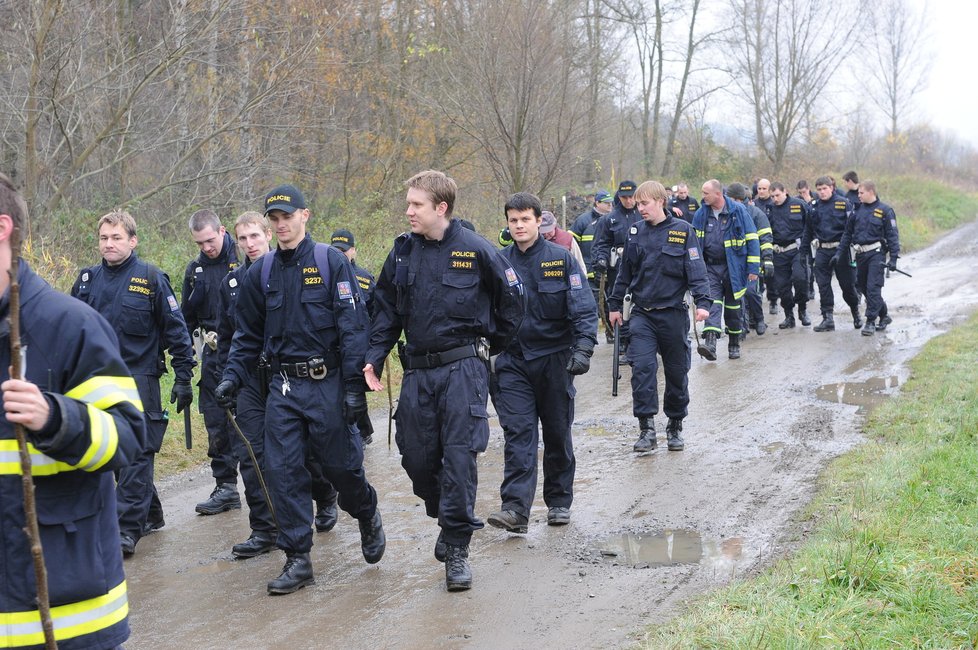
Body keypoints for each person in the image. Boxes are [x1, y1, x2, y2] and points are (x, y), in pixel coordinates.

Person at [217, 184, 386, 595]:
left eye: (286, 217)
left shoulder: (330, 262)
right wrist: (232, 377)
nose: (280, 225)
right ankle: (298, 558)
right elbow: (247, 335)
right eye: (273, 219)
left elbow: (352, 329)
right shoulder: (262, 271)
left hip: (327, 383)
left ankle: (365, 511)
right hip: (283, 387)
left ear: (304, 216)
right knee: (282, 471)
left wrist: (352, 389)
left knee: (341, 469)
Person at [0, 173, 144, 649]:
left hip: (64, 619)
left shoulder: (67, 325)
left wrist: (56, 419)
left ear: (2, 228)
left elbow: (127, 437)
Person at [364, 170, 525, 592]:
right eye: (408, 203)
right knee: (415, 457)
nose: (408, 211)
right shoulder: (401, 253)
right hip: (417, 370)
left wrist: (491, 346)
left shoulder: (476, 249)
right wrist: (374, 358)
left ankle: (457, 547)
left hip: (463, 368)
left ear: (441, 208)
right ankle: (444, 512)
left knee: (458, 457)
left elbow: (512, 298)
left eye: (416, 204)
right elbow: (385, 310)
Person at [70, 210, 196, 556]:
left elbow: (177, 333)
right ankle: (150, 512)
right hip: (94, 381)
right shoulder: (86, 280)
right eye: (104, 238)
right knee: (109, 453)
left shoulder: (152, 278)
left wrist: (184, 377)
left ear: (133, 240)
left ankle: (126, 530)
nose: (109, 244)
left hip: (139, 380)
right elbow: (70, 332)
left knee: (137, 455)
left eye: (116, 238)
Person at [487, 192, 597, 534]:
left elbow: (582, 305)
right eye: (513, 220)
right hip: (513, 362)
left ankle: (559, 501)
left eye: (525, 219)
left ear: (538, 221)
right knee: (519, 433)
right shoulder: (497, 262)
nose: (519, 225)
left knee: (557, 433)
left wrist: (584, 348)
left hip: (554, 360)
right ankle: (516, 508)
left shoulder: (560, 259)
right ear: (507, 224)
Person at [608, 180, 710, 453]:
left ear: (661, 201)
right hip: (642, 314)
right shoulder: (634, 232)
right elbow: (624, 273)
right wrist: (614, 305)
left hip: (673, 314)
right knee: (642, 369)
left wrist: (703, 303)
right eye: (637, 204)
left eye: (645, 203)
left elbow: (696, 269)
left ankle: (675, 425)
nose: (640, 208)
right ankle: (646, 428)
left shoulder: (683, 231)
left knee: (677, 372)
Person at [214, 212, 279, 559]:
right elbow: (228, 336)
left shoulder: (286, 272)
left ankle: (324, 499)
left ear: (268, 234)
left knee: (300, 452)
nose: (250, 244)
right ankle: (265, 528)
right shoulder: (232, 283)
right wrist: (228, 378)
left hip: (286, 374)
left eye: (255, 236)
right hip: (249, 377)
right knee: (251, 455)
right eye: (243, 239)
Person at [181, 209, 241, 515]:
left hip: (245, 353)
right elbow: (185, 319)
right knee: (216, 422)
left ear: (222, 230)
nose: (207, 247)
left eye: (210, 240)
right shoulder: (195, 272)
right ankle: (226, 487)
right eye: (200, 243)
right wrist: (185, 361)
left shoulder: (244, 258)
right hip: (213, 354)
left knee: (257, 421)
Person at [690, 180, 760, 360]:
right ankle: (711, 344)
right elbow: (694, 245)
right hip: (710, 267)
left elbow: (752, 239)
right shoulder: (701, 214)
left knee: (733, 307)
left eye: (706, 193)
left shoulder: (738, 211)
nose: (703, 196)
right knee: (712, 302)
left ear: (718, 194)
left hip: (734, 268)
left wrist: (753, 268)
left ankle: (734, 342)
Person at [330, 228, 377, 446]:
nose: (340, 254)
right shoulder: (323, 275)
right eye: (335, 250)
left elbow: (378, 313)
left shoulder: (366, 279)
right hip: (333, 345)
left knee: (355, 388)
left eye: (344, 250)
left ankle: (362, 430)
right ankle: (356, 430)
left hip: (359, 343)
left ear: (353, 251)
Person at [838, 180, 900, 336]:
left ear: (871, 192)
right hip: (860, 255)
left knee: (873, 288)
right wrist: (839, 253)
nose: (858, 195)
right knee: (863, 287)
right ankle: (884, 315)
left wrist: (893, 258)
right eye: (858, 193)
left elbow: (893, 236)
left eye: (861, 193)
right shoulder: (856, 211)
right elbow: (847, 234)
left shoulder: (885, 210)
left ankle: (870, 321)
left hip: (876, 254)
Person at [803, 177, 862, 331]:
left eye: (825, 189)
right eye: (819, 189)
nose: (822, 192)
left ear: (832, 188)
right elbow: (808, 231)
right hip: (822, 250)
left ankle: (855, 312)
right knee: (823, 286)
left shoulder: (843, 203)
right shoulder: (813, 206)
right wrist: (803, 252)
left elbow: (852, 229)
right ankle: (827, 318)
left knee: (847, 286)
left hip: (841, 250)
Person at [592, 180, 639, 357]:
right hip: (617, 269)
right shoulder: (609, 219)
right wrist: (601, 260)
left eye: (631, 197)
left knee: (639, 304)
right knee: (618, 304)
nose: (628, 201)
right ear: (619, 197)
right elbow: (601, 244)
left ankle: (639, 341)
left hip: (642, 267)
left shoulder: (642, 214)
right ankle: (622, 340)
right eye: (624, 197)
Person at [726, 182, 773, 336]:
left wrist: (767, 259)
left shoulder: (756, 213)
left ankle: (759, 319)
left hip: (752, 261)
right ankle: (741, 325)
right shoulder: (727, 212)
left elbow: (765, 238)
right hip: (734, 263)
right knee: (738, 296)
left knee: (752, 292)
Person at [765, 182, 812, 328]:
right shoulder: (769, 209)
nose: (775, 199)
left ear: (785, 191)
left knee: (800, 279)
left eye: (777, 195)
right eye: (772, 196)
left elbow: (810, 225)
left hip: (797, 249)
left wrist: (806, 246)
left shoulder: (799, 205)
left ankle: (802, 310)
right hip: (778, 252)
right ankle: (789, 316)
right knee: (782, 286)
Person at [569, 190, 613, 311]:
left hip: (611, 272)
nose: (610, 205)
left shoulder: (614, 220)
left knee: (610, 307)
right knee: (591, 307)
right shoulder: (583, 220)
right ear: (597, 203)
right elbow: (570, 244)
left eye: (611, 202)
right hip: (589, 274)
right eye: (606, 203)